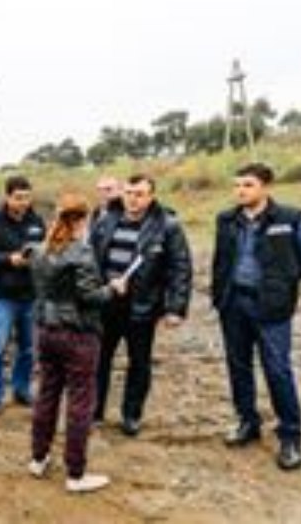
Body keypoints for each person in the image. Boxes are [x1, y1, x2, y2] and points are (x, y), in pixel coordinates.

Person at [211, 163, 301, 470]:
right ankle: (247, 422)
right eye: (237, 185)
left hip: (271, 307)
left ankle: (290, 437)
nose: (240, 190)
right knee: (238, 366)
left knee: (278, 370)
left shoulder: (290, 218)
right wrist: (221, 296)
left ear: (265, 187)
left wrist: (278, 287)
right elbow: (221, 260)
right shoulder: (226, 220)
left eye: (248, 185)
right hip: (234, 304)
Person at [26, 192, 126, 493]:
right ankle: (76, 474)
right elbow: (90, 297)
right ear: (82, 221)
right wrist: (113, 288)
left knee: (47, 395)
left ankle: (38, 458)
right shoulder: (81, 252)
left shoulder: (39, 250)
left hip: (45, 330)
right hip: (77, 334)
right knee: (81, 402)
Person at [90, 173, 192, 436]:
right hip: (106, 304)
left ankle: (131, 415)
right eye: (128, 193)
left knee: (139, 362)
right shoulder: (105, 220)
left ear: (151, 196)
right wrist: (97, 289)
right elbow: (90, 260)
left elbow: (180, 268)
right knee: (98, 359)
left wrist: (175, 308)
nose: (133, 199)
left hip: (142, 306)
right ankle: (94, 411)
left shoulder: (167, 225)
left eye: (139, 194)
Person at [0, 175, 46, 421]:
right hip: (2, 297)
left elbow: (46, 249)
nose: (23, 202)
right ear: (7, 197)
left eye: (27, 197)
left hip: (30, 295)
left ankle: (21, 390)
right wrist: (8, 259)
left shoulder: (36, 222)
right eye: (18, 198)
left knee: (28, 349)